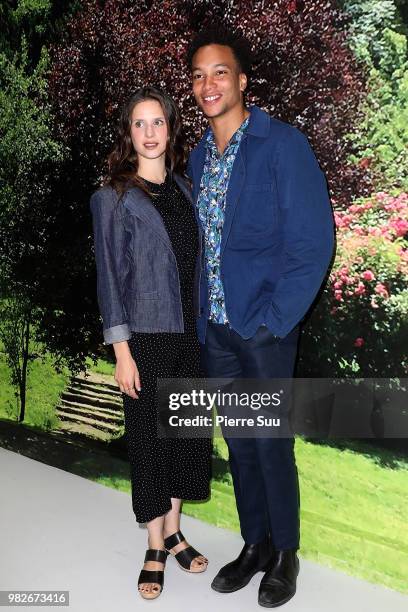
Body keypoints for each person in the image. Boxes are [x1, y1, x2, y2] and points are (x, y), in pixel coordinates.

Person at [186, 27, 335, 608]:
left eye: (220, 71)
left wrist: (276, 320)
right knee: (240, 443)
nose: (208, 83)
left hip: (264, 330)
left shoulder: (281, 145)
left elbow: (312, 244)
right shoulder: (200, 156)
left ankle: (286, 555)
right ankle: (255, 545)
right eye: (198, 74)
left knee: (271, 442)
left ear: (242, 80)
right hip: (217, 330)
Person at [89, 86, 212, 600]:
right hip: (145, 340)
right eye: (139, 124)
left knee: (186, 440)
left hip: (191, 338)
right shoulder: (112, 196)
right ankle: (156, 545)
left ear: (170, 127)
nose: (149, 132)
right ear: (128, 133)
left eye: (157, 122)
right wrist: (121, 351)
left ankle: (177, 528)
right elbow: (109, 279)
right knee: (152, 445)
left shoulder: (186, 188)